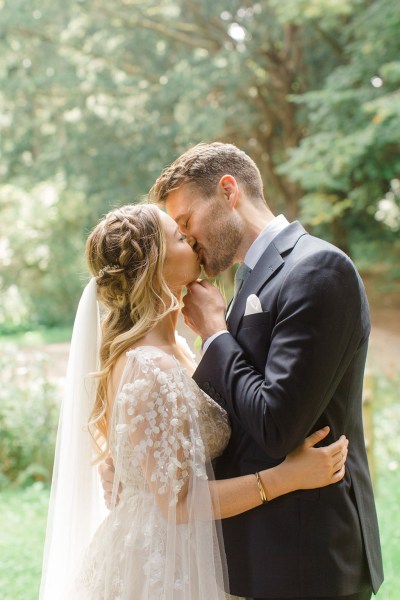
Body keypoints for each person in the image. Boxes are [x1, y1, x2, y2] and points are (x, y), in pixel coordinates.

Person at [39, 203, 349, 600]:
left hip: (198, 552)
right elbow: (178, 503)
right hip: (162, 566)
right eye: (180, 237)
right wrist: (288, 477)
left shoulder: (180, 350)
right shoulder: (146, 368)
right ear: (155, 265)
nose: (194, 242)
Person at [146, 142, 384, 600]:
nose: (188, 238)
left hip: (307, 557)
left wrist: (216, 332)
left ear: (228, 191)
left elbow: (276, 423)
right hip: (254, 551)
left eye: (186, 221)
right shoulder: (243, 283)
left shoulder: (317, 268)